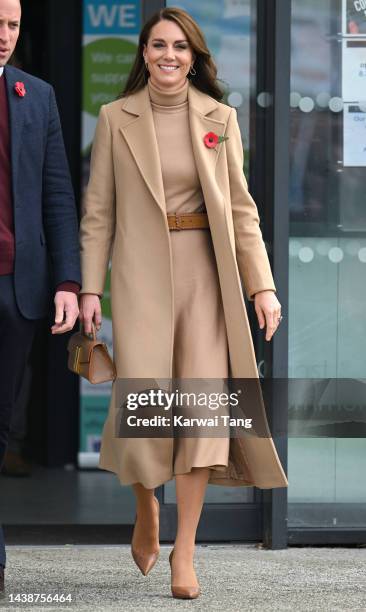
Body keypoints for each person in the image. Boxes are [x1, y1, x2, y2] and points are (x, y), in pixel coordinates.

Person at [79, 7, 288, 601]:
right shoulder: (114, 118)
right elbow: (98, 215)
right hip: (142, 273)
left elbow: (241, 209)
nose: (168, 55)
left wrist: (262, 285)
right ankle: (146, 506)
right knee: (146, 403)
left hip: (207, 276)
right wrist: (92, 288)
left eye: (180, 47)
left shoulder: (219, 117)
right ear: (143, 53)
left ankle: (185, 550)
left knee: (198, 410)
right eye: (157, 46)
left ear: (194, 56)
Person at [0, 0, 81, 593]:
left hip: (16, 287)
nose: (4, 36)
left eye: (12, 25)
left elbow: (58, 195)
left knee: (0, 427)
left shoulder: (37, 97)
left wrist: (68, 282)